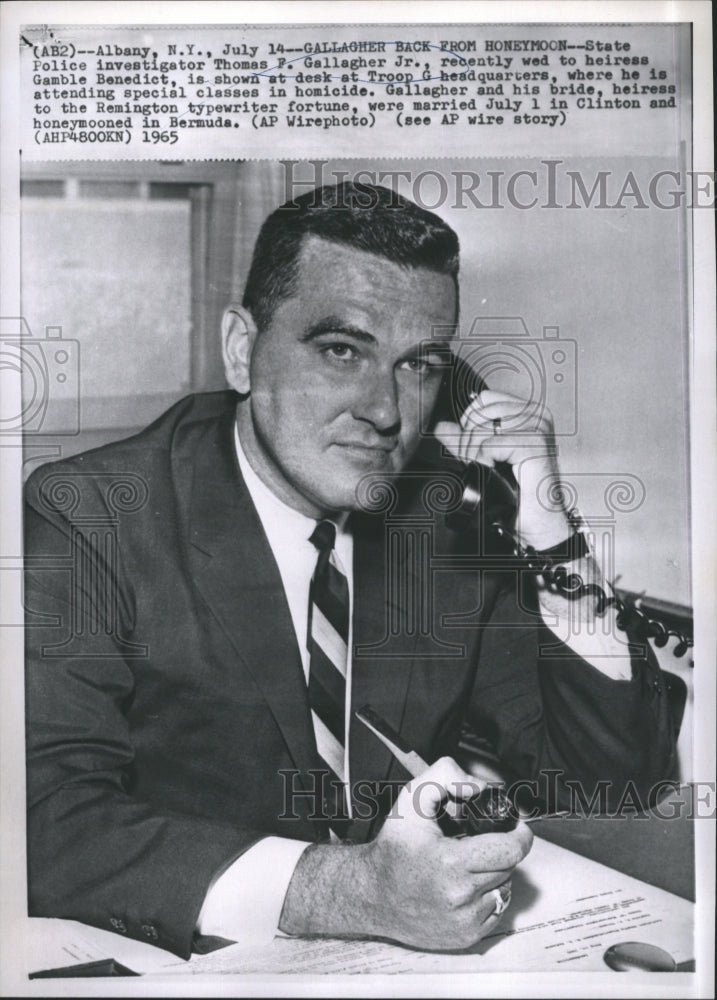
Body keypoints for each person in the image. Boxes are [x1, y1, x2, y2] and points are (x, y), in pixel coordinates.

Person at [24, 181, 678, 960]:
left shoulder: (441, 519)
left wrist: (551, 533)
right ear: (242, 350)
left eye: (419, 364)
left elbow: (610, 780)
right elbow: (47, 817)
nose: (385, 411)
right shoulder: (91, 513)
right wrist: (352, 891)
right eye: (342, 350)